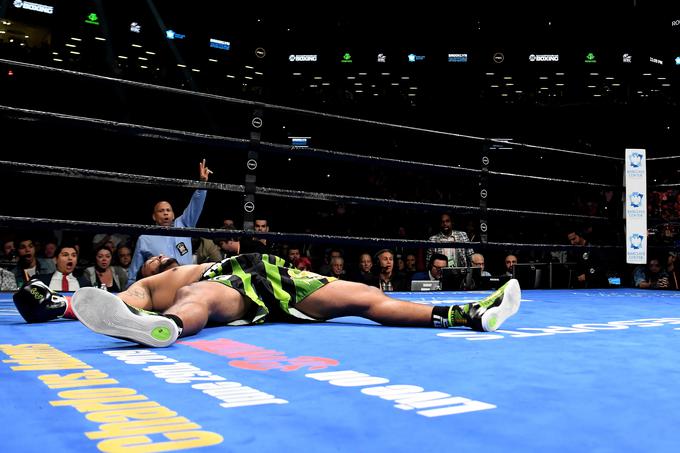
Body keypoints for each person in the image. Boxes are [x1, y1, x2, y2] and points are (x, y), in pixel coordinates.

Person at [13, 253, 521, 348]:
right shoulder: (167, 282)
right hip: (232, 288)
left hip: (284, 278)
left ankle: (471, 314)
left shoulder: (173, 269)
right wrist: (64, 307)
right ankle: (162, 329)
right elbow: (120, 298)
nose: (150, 265)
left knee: (365, 296)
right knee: (201, 297)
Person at [127, 159, 212, 286]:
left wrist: (202, 184)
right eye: (161, 211)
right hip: (162, 286)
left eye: (168, 210)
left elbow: (195, 206)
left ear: (173, 214)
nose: (166, 213)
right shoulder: (145, 239)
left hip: (188, 282)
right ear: (154, 217)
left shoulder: (183, 225)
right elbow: (134, 272)